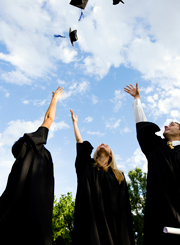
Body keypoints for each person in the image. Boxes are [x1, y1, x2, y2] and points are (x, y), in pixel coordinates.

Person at [0, 86, 64, 245]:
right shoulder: (33, 146)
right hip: (35, 209)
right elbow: (49, 118)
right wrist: (54, 99)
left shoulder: (18, 165)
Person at [124, 82, 180, 245]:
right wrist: (137, 99)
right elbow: (141, 124)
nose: (166, 126)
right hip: (158, 220)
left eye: (172, 124)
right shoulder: (156, 147)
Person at [70, 109, 134, 245]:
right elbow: (80, 143)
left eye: (106, 145)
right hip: (91, 224)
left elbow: (125, 206)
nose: (102, 144)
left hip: (113, 226)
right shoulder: (87, 166)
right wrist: (75, 124)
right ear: (96, 152)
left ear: (110, 154)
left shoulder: (118, 175)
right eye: (100, 145)